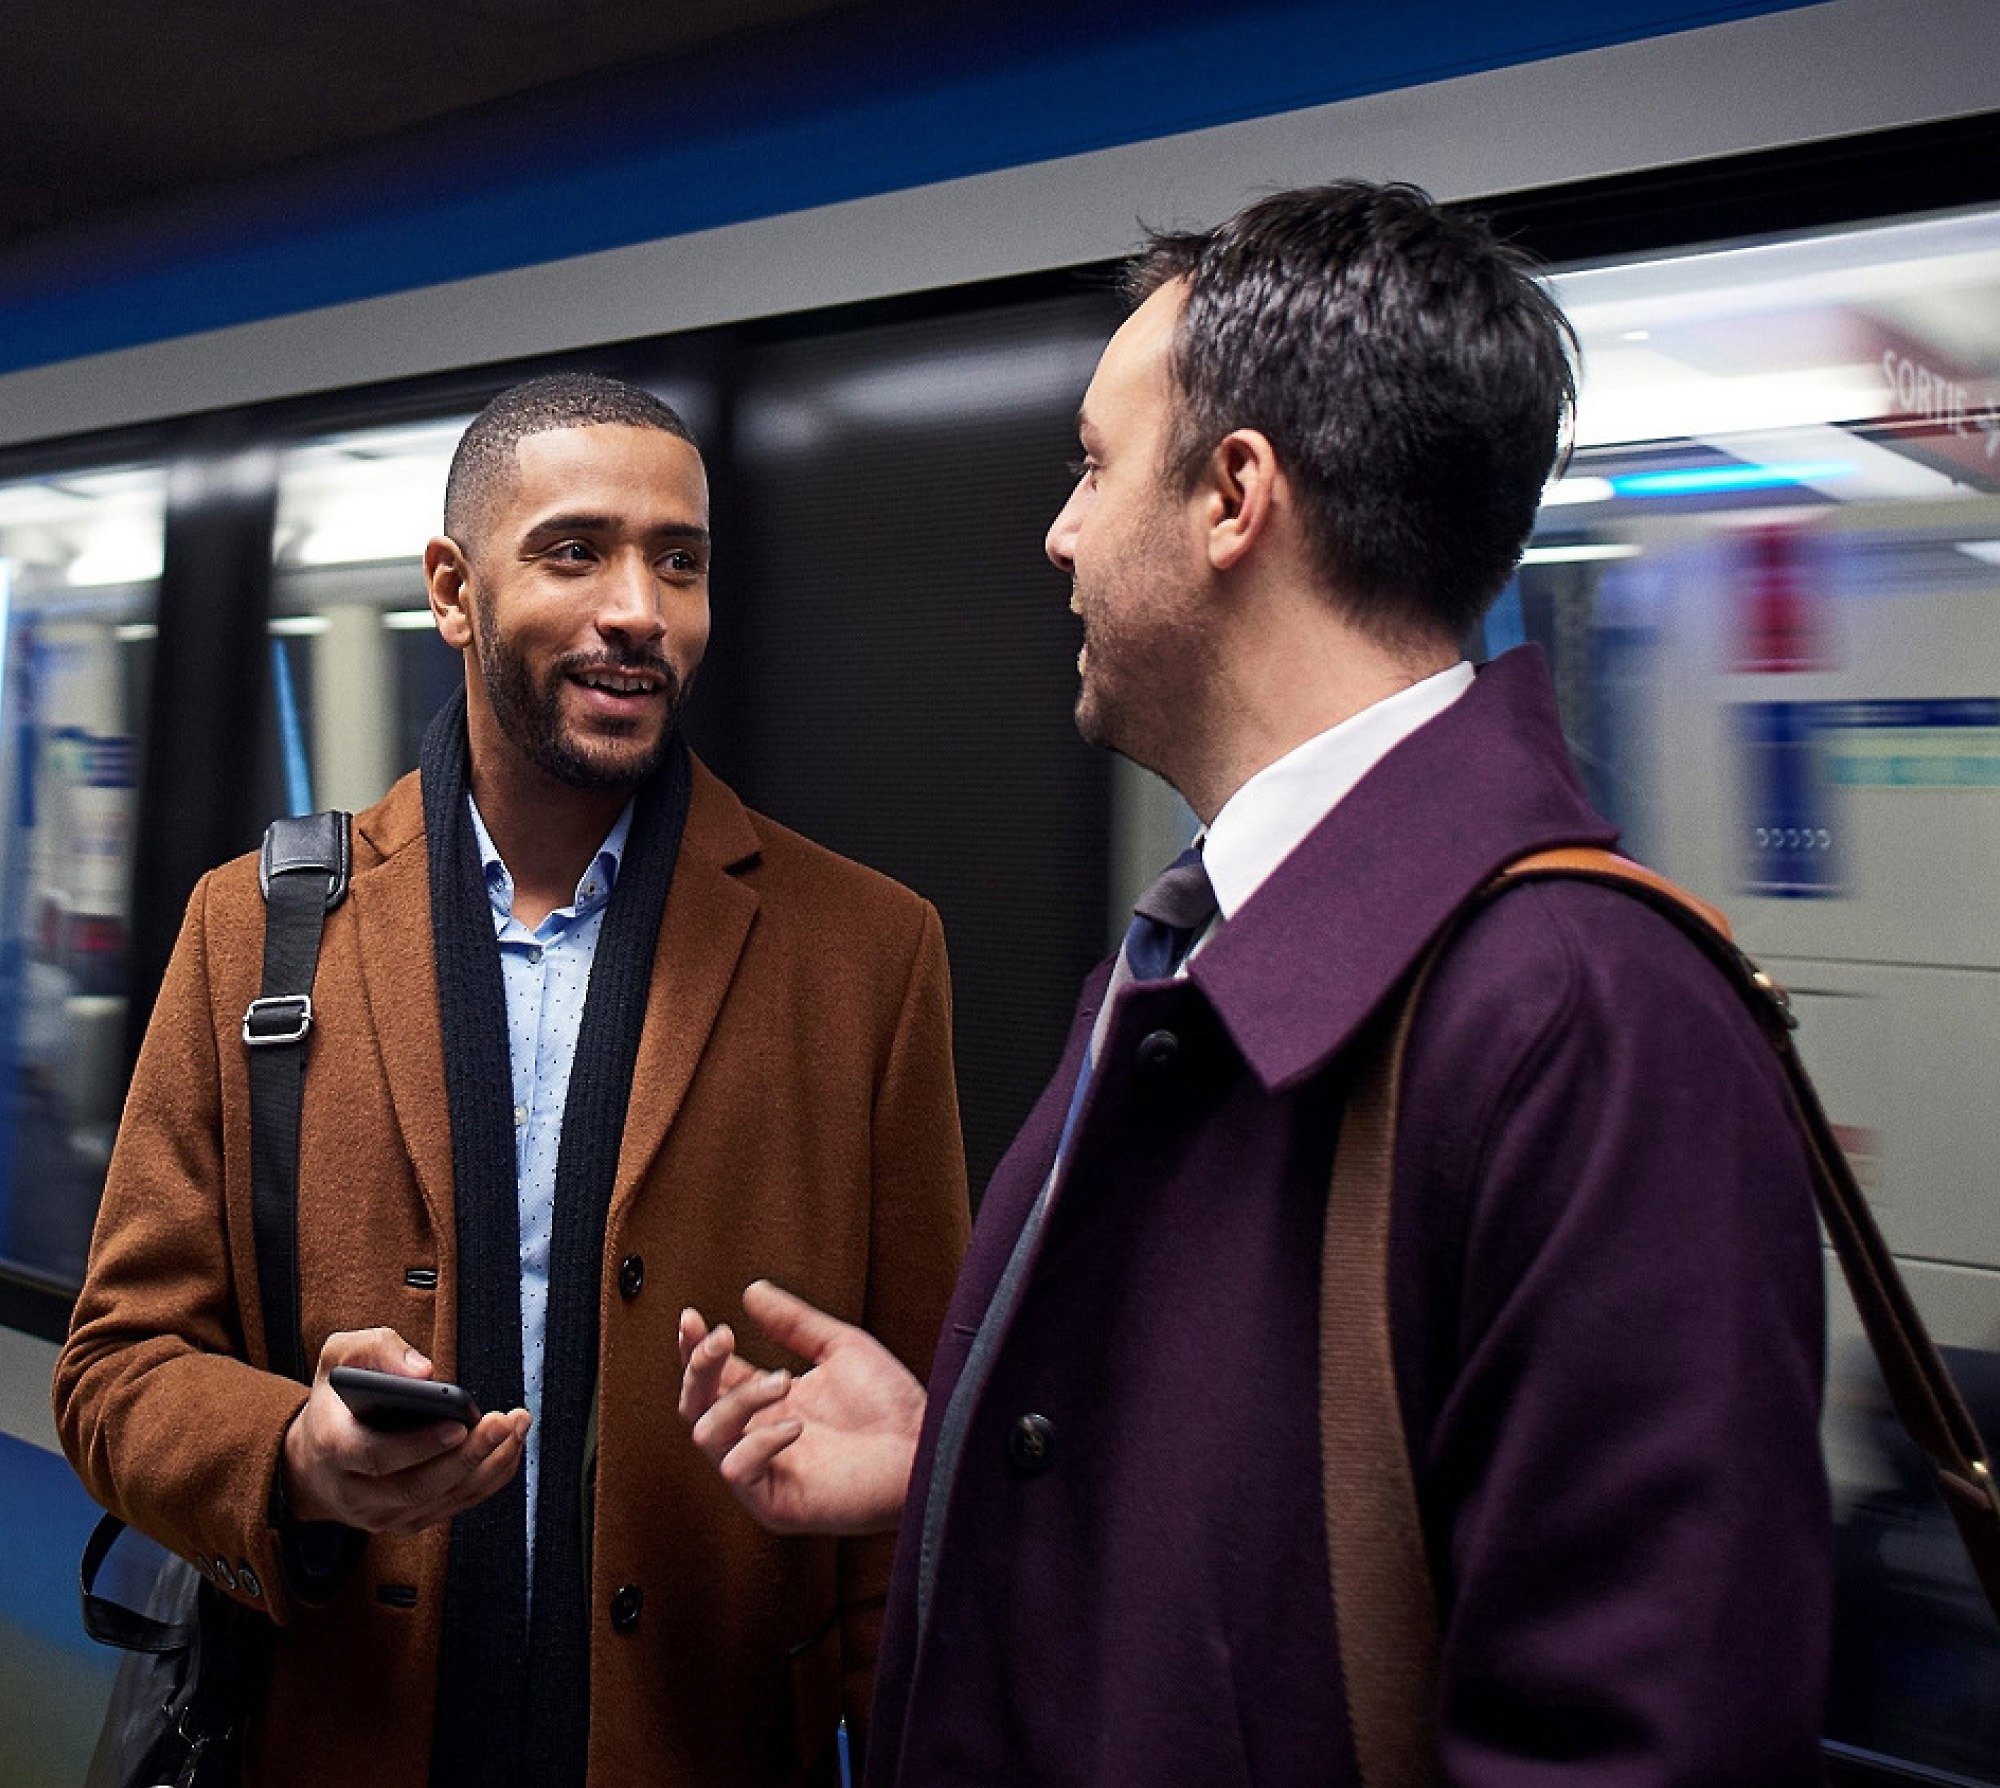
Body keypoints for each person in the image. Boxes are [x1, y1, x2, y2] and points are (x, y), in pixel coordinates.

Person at [677, 183, 1832, 1785]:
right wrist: (962, 1449)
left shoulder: (1588, 1024)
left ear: (1235, 495)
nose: (1058, 529)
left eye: (1091, 464)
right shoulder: (1186, 954)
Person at [55, 373, 970, 1788]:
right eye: (575, 551)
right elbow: (115, 1371)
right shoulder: (252, 931)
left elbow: (916, 1438)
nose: (640, 610)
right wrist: (292, 1451)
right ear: (452, 589)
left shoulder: (864, 953)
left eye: (680, 561)